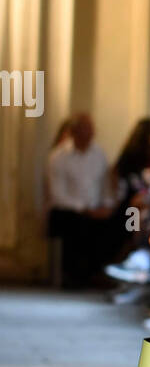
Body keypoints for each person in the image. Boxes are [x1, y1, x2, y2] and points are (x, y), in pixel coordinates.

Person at [46, 113, 119, 286]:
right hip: (69, 210)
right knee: (76, 223)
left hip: (95, 209)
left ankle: (99, 272)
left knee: (122, 222)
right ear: (74, 132)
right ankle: (74, 275)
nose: (89, 134)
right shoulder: (59, 156)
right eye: (84, 130)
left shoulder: (99, 154)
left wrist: (107, 206)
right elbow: (57, 194)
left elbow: (104, 186)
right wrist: (85, 209)